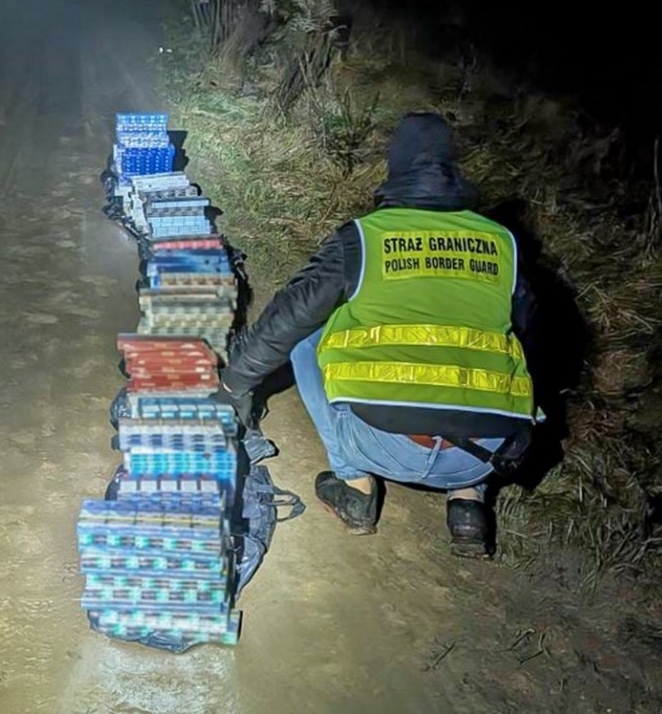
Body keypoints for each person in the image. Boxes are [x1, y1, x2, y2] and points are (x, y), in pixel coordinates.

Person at [216, 112, 541, 557]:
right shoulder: (504, 243)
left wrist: (234, 382)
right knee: (493, 353)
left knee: (310, 337)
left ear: (395, 168)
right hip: (485, 454)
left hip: (385, 445)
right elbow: (525, 338)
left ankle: (355, 485)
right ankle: (468, 505)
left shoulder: (367, 239)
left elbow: (287, 318)